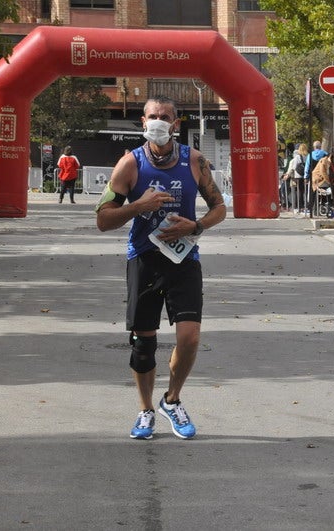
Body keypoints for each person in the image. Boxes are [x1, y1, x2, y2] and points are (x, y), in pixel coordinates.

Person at [96, 95, 226, 440]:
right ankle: (145, 410)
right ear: (142, 123)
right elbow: (103, 219)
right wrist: (137, 206)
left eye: (164, 116)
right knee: (144, 344)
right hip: (144, 258)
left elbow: (219, 208)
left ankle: (172, 399)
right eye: (152, 116)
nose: (158, 121)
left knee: (190, 336)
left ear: (175, 124)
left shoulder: (195, 161)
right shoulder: (130, 164)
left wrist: (195, 226)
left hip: (184, 259)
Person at [304, 141, 328, 218]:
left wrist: (306, 177)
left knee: (312, 193)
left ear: (314, 147)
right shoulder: (325, 154)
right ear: (320, 146)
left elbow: (307, 166)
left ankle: (311, 208)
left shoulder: (310, 155)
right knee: (324, 192)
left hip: (313, 177)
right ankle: (324, 206)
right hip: (323, 177)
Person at [289, 143, 308, 214]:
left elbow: (294, 167)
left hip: (298, 176)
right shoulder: (308, 156)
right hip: (305, 176)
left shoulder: (297, 157)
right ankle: (305, 205)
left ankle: (300, 206)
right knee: (304, 191)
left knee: (299, 191)